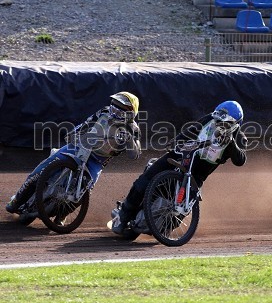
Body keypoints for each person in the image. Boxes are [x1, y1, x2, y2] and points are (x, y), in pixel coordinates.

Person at [111, 100, 247, 235]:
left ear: (235, 124)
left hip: (197, 175)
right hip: (178, 157)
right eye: (218, 119)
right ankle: (123, 217)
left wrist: (231, 143)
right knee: (143, 182)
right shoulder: (209, 119)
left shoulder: (239, 138)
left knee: (180, 212)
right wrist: (177, 140)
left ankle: (160, 227)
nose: (219, 124)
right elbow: (192, 130)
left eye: (225, 123)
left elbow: (240, 160)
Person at [6, 91, 141, 215]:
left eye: (119, 111)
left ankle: (62, 214)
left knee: (85, 191)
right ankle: (17, 200)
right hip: (78, 147)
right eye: (113, 108)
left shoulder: (133, 129)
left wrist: (130, 141)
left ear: (130, 114)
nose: (114, 113)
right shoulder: (103, 113)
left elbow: (134, 155)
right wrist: (73, 135)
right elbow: (84, 125)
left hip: (97, 161)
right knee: (44, 167)